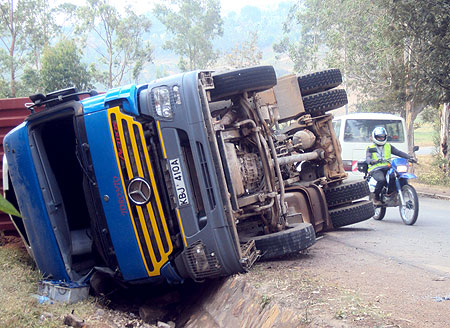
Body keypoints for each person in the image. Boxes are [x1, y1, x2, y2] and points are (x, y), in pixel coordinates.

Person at [366, 127, 414, 205]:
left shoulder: (388, 146)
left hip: (388, 167)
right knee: (382, 180)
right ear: (375, 137)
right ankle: (375, 197)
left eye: (382, 137)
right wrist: (371, 161)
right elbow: (367, 158)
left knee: (394, 175)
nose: (381, 138)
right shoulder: (370, 148)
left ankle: (391, 194)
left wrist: (409, 157)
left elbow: (398, 152)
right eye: (379, 137)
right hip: (376, 169)